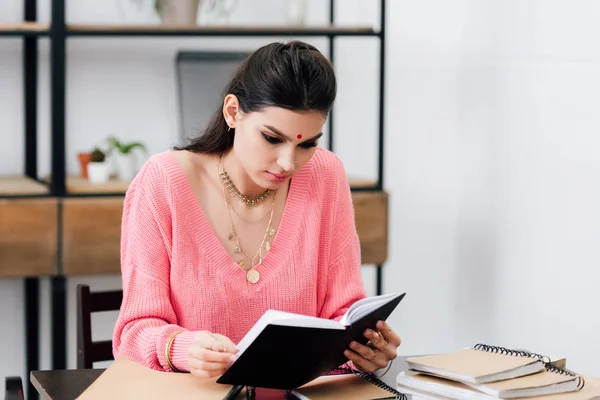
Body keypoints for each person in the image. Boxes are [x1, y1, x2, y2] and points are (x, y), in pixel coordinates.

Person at [112, 40, 401, 379]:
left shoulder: (325, 175)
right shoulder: (163, 182)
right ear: (233, 112)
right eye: (272, 138)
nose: (288, 162)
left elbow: (342, 317)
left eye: (307, 143)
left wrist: (365, 348)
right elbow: (132, 334)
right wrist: (180, 348)